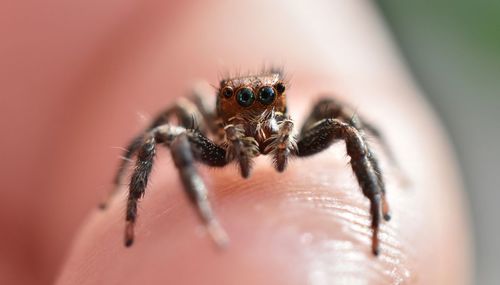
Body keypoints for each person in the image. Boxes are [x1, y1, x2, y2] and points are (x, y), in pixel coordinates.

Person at [0, 1, 471, 284]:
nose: (258, 111)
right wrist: (123, 203)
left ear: (280, 99)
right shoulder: (208, 122)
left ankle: (378, 208)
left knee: (344, 121)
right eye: (243, 101)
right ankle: (182, 213)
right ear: (227, 103)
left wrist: (384, 186)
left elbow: (348, 122)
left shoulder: (297, 119)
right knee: (166, 131)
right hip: (214, 146)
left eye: (268, 99)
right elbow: (160, 134)